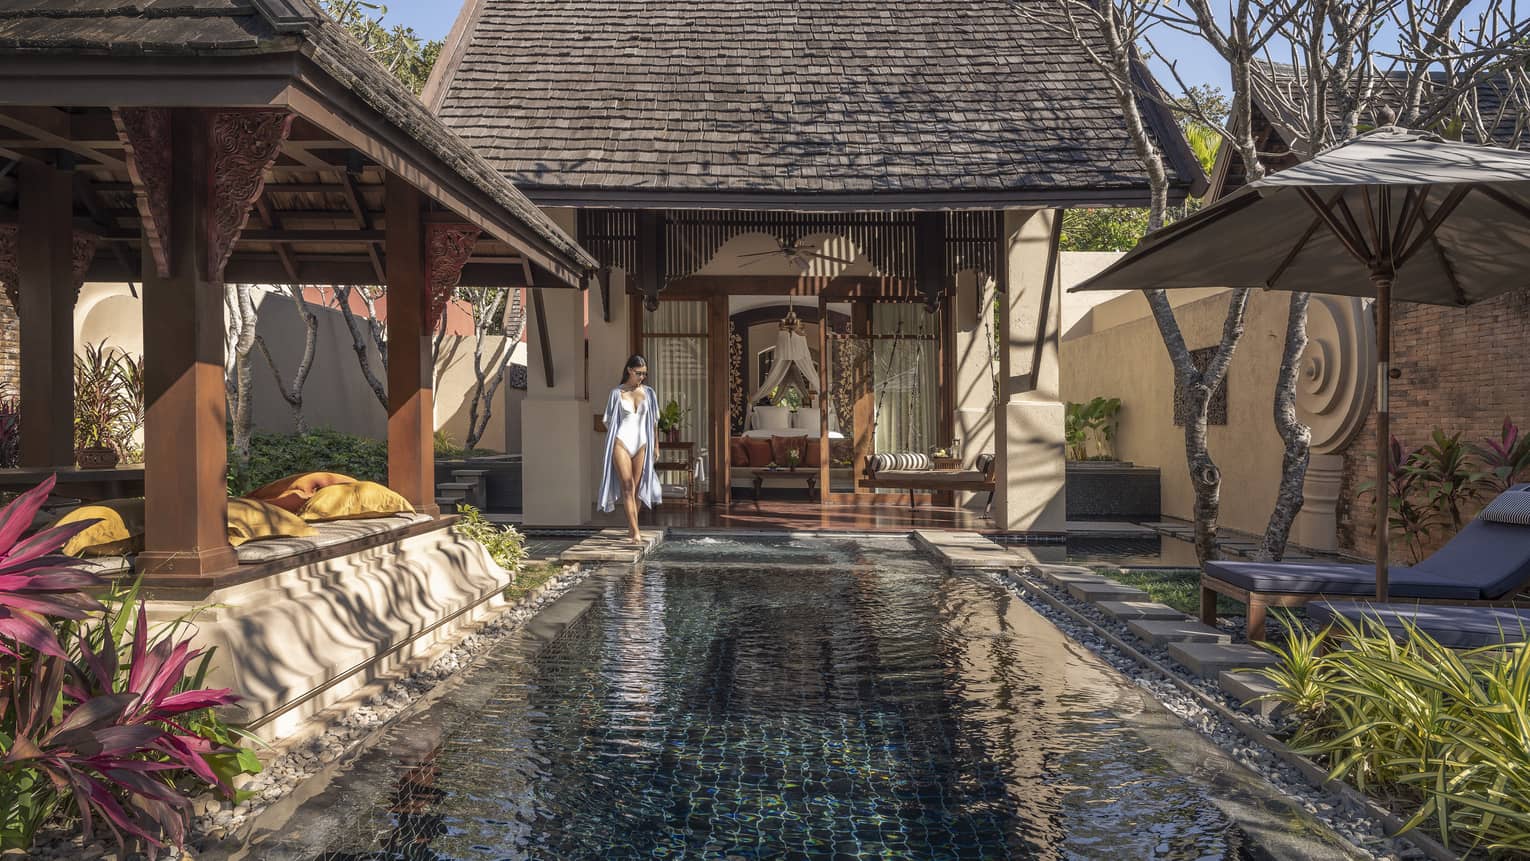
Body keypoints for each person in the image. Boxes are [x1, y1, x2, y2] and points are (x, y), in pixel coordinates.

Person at [598, 355, 662, 541]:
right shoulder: (616, 393)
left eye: (644, 374)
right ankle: (635, 530)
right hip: (622, 442)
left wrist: (656, 446)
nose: (642, 377)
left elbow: (654, 422)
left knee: (637, 488)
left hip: (642, 443)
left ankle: (631, 525)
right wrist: (615, 439)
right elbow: (608, 421)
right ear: (629, 370)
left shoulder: (649, 393)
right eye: (639, 373)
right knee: (627, 486)